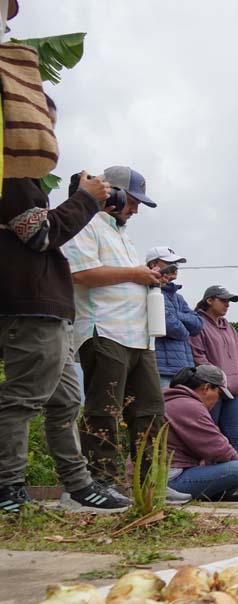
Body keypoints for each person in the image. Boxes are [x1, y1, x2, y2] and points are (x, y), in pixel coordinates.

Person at [0, 95, 131, 513]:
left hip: (49, 308)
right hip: (30, 306)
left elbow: (39, 228)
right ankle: (8, 491)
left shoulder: (24, 178)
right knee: (22, 399)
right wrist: (86, 200)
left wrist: (77, 200)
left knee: (64, 402)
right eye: (42, 123)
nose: (48, 136)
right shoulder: (10, 173)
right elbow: (39, 235)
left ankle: (78, 485)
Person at [63, 165, 165, 497]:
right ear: (113, 193)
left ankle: (151, 484)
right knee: (103, 408)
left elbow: (127, 274)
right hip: (103, 329)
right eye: (133, 201)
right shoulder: (86, 224)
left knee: (150, 411)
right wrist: (135, 275)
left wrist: (146, 277)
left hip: (139, 335)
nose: (135, 209)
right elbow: (81, 274)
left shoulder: (122, 234)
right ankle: (101, 481)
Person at [164, 365, 238, 502]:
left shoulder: (172, 399)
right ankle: (218, 494)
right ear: (206, 388)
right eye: (219, 394)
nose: (217, 400)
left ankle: (217, 494)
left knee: (229, 467)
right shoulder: (191, 406)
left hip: (155, 479)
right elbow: (217, 446)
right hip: (170, 483)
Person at [189, 285, 238, 462]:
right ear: (209, 300)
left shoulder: (228, 327)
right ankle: (214, 481)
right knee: (211, 437)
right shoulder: (198, 324)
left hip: (234, 392)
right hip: (210, 390)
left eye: (228, 301)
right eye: (223, 300)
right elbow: (198, 356)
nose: (227, 304)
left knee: (236, 437)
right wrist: (218, 381)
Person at [146, 247, 202, 389]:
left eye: (177, 264)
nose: (175, 268)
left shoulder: (178, 297)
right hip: (162, 369)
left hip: (184, 370)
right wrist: (184, 327)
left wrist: (176, 316)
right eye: (170, 263)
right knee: (163, 410)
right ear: (154, 265)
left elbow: (198, 325)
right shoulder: (149, 291)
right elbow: (173, 327)